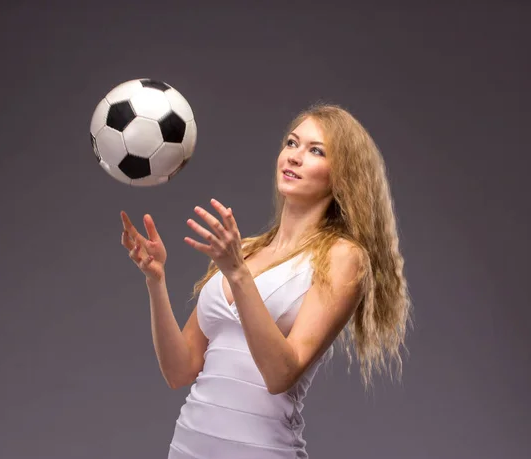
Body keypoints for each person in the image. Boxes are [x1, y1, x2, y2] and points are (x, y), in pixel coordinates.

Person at [120, 103, 413, 458]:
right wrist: (156, 281)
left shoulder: (343, 258)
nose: (294, 157)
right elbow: (179, 371)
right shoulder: (242, 250)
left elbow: (280, 375)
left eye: (315, 150)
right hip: (187, 446)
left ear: (342, 175)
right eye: (291, 143)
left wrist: (238, 274)